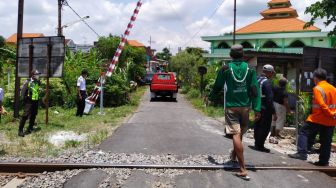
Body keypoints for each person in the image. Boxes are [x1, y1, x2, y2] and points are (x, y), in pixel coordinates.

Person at [210, 44, 261, 180]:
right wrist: (257, 108)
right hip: (245, 106)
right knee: (239, 133)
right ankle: (233, 155)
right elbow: (255, 89)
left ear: (231, 55)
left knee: (236, 135)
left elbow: (218, 86)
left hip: (231, 107)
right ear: (243, 55)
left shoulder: (226, 69)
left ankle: (243, 169)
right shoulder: (250, 69)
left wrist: (211, 98)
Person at [289, 68, 336, 166]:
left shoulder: (317, 88)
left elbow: (322, 104)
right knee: (326, 141)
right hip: (331, 120)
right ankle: (323, 161)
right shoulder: (333, 88)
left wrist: (329, 113)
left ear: (315, 78)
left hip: (318, 118)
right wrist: (333, 114)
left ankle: (302, 153)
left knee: (303, 132)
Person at [253, 64, 277, 152]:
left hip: (257, 106)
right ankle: (260, 145)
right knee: (265, 127)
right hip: (265, 108)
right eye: (272, 73)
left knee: (257, 125)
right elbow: (270, 99)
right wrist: (274, 112)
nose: (272, 75)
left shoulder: (257, 79)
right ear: (269, 73)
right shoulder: (267, 82)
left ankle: (256, 143)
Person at [18, 70, 41, 137]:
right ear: (33, 75)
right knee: (25, 115)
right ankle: (20, 130)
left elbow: (36, 91)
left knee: (34, 114)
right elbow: (22, 92)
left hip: (35, 101)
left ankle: (30, 128)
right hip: (29, 102)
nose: (38, 76)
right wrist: (25, 100)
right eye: (37, 74)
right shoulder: (28, 81)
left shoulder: (38, 82)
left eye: (38, 74)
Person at [269, 77, 292, 143]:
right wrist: (289, 110)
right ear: (285, 84)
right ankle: (276, 135)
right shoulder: (284, 92)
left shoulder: (275, 88)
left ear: (279, 83)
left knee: (273, 119)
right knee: (280, 120)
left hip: (273, 104)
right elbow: (285, 102)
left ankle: (272, 133)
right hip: (280, 106)